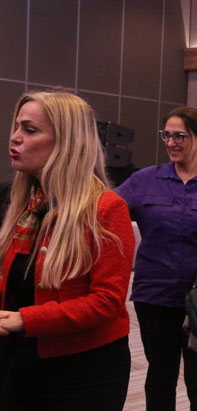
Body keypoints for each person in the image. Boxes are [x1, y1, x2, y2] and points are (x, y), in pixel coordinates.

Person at [0, 91, 135, 411]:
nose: (15, 137)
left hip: (82, 371)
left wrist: (23, 319)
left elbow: (107, 302)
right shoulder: (20, 201)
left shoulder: (106, 209)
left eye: (30, 130)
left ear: (67, 142)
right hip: (18, 359)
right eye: (17, 127)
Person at [116, 106, 197, 411]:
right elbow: (106, 210)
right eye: (167, 136)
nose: (171, 142)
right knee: (161, 375)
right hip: (154, 296)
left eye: (180, 136)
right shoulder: (144, 180)